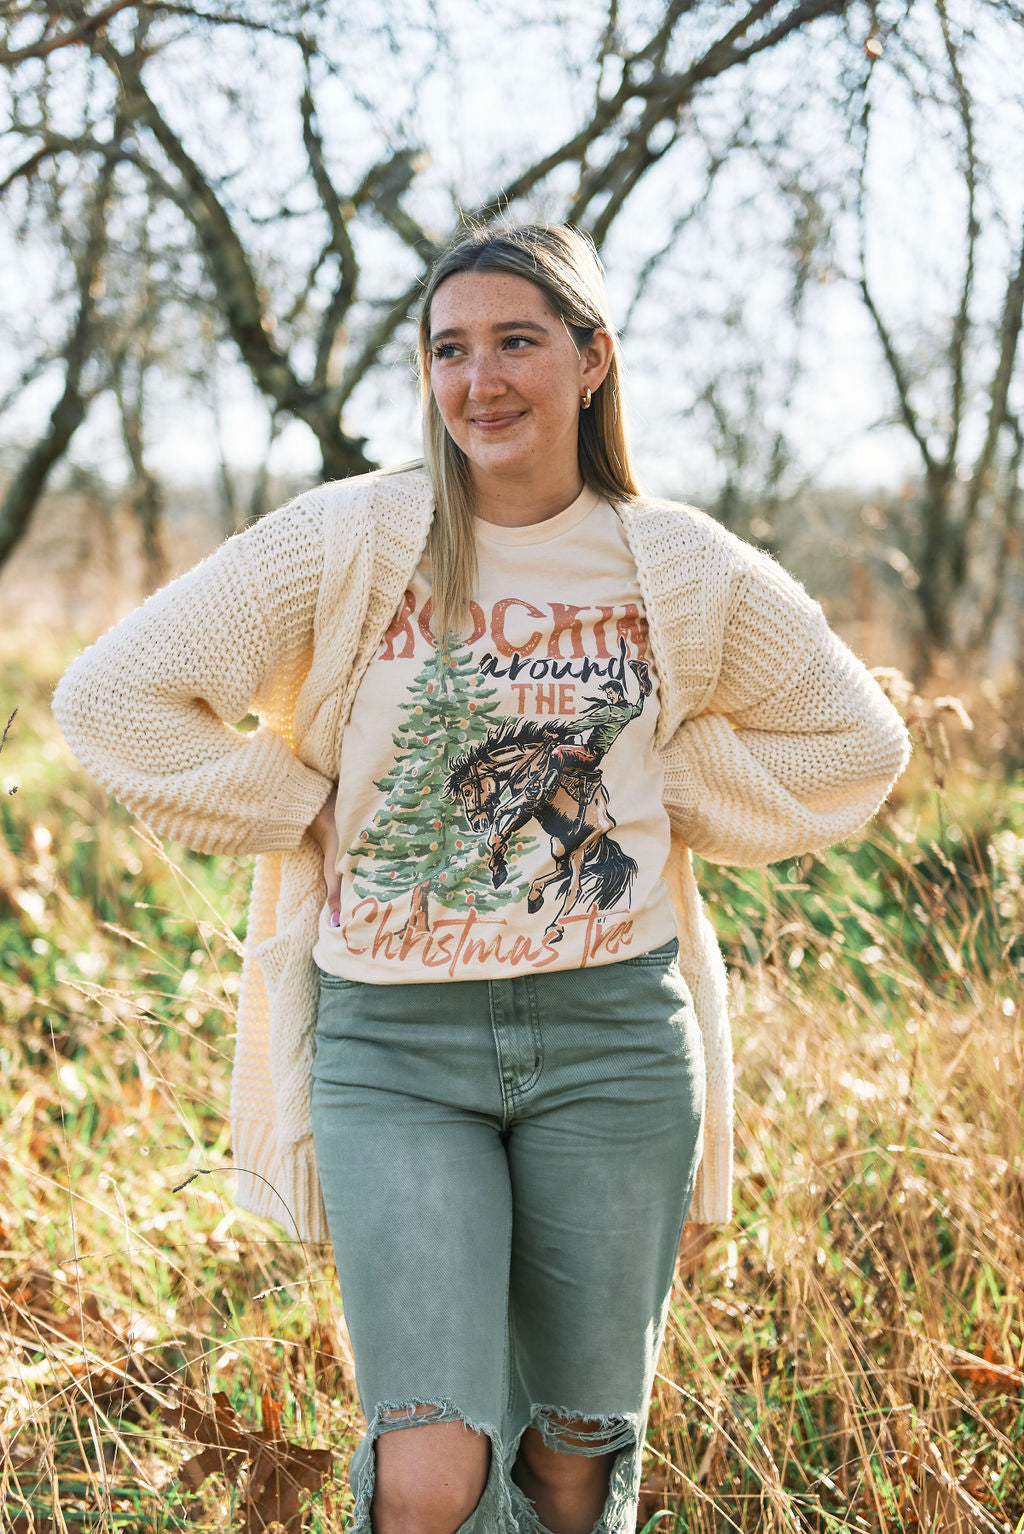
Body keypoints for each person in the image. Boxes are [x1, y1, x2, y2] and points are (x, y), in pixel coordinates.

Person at [51, 221, 910, 1534]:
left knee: (574, 1457)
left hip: (611, 1039)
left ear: (591, 360)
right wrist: (302, 801)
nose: (480, 380)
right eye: (451, 349)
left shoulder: (672, 562)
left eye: (517, 341)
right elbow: (113, 698)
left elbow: (860, 741)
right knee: (431, 1471)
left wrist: (663, 783)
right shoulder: (344, 542)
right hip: (396, 1046)